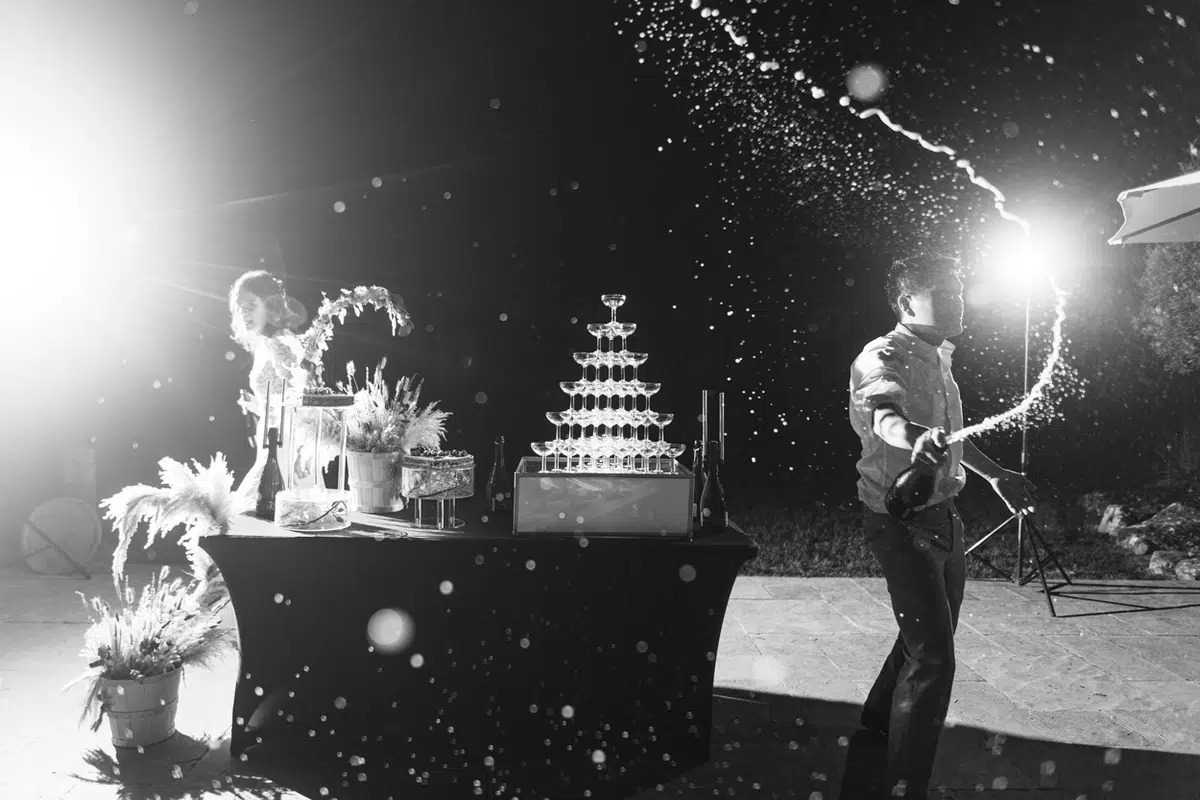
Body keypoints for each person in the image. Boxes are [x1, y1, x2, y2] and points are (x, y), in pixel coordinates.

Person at [847, 253, 1037, 799]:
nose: (959, 300)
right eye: (945, 292)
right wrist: (910, 435)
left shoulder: (941, 357)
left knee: (930, 637)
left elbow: (949, 435)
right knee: (933, 659)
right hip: (899, 524)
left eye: (959, 289)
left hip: (945, 518)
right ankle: (904, 786)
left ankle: (881, 719)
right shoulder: (880, 356)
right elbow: (884, 411)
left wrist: (996, 474)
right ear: (908, 303)